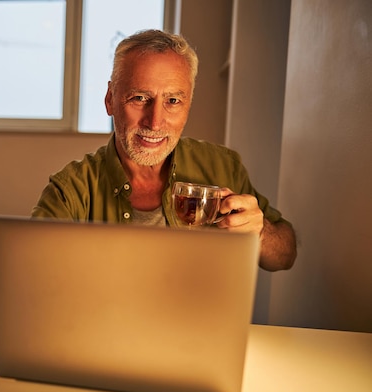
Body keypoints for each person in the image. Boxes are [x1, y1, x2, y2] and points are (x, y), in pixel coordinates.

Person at [31, 29, 297, 272]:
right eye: (139, 98)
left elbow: (285, 256)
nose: (155, 122)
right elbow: (30, 276)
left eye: (172, 101)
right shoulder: (71, 190)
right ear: (110, 99)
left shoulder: (223, 166)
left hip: (199, 324)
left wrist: (260, 233)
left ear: (188, 104)